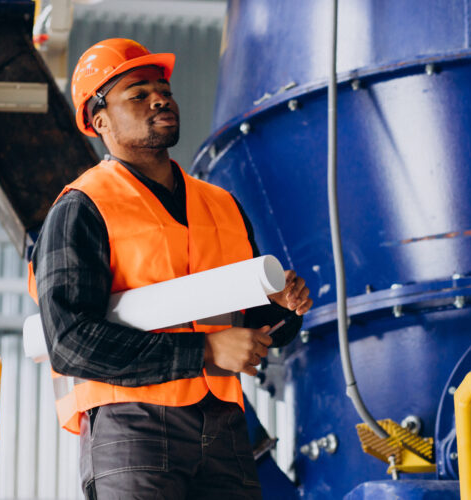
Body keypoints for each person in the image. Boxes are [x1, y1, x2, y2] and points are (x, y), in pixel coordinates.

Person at [28, 38, 312, 499]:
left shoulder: (221, 205)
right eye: (138, 94)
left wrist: (283, 310)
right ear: (99, 121)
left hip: (224, 430)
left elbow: (253, 330)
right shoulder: (82, 207)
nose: (160, 98)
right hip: (133, 425)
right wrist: (204, 350)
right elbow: (69, 341)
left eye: (163, 89)